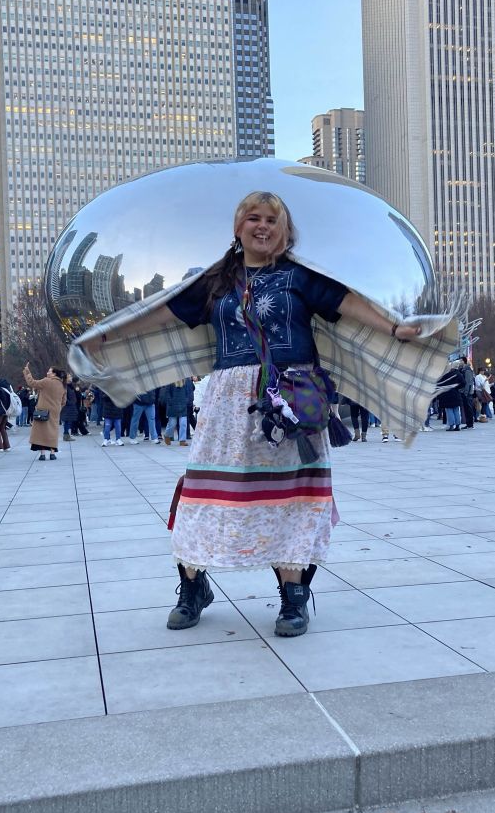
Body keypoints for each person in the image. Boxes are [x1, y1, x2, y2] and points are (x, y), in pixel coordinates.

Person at [70, 191, 455, 638]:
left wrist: (393, 327)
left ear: (286, 232)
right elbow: (161, 315)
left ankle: (293, 601)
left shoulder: (301, 277)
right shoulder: (215, 282)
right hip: (229, 404)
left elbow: (346, 303)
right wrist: (107, 335)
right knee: (203, 494)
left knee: (293, 500)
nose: (263, 226)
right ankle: (193, 588)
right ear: (238, 227)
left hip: (292, 402)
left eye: (273, 220)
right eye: (254, 218)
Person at [22, 363, 67, 460]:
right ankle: (52, 453)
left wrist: (27, 372)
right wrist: (58, 408)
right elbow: (64, 401)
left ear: (54, 374)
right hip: (55, 411)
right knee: (53, 431)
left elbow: (32, 383)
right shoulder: (62, 385)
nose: (47, 373)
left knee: (41, 432)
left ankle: (42, 454)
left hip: (42, 410)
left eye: (49, 371)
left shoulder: (46, 381)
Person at [160, 378, 194, 446]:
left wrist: (187, 401)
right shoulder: (170, 380)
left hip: (183, 405)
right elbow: (167, 393)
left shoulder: (187, 380)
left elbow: (190, 390)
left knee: (183, 423)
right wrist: (171, 402)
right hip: (172, 406)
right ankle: (167, 435)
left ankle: (182, 440)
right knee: (172, 423)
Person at [437, 362, 465, 431]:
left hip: (446, 394)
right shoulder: (458, 374)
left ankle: (451, 425)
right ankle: (458, 425)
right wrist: (457, 387)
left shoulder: (444, 375)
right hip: (455, 393)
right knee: (456, 409)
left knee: (449, 410)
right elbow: (463, 383)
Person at [61, 375, 79, 441]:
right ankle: (66, 435)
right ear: (67, 378)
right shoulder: (64, 386)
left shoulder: (70, 386)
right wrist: (70, 403)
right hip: (67, 407)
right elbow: (63, 396)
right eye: (70, 377)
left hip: (71, 406)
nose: (71, 378)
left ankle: (66, 435)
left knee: (69, 421)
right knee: (67, 421)